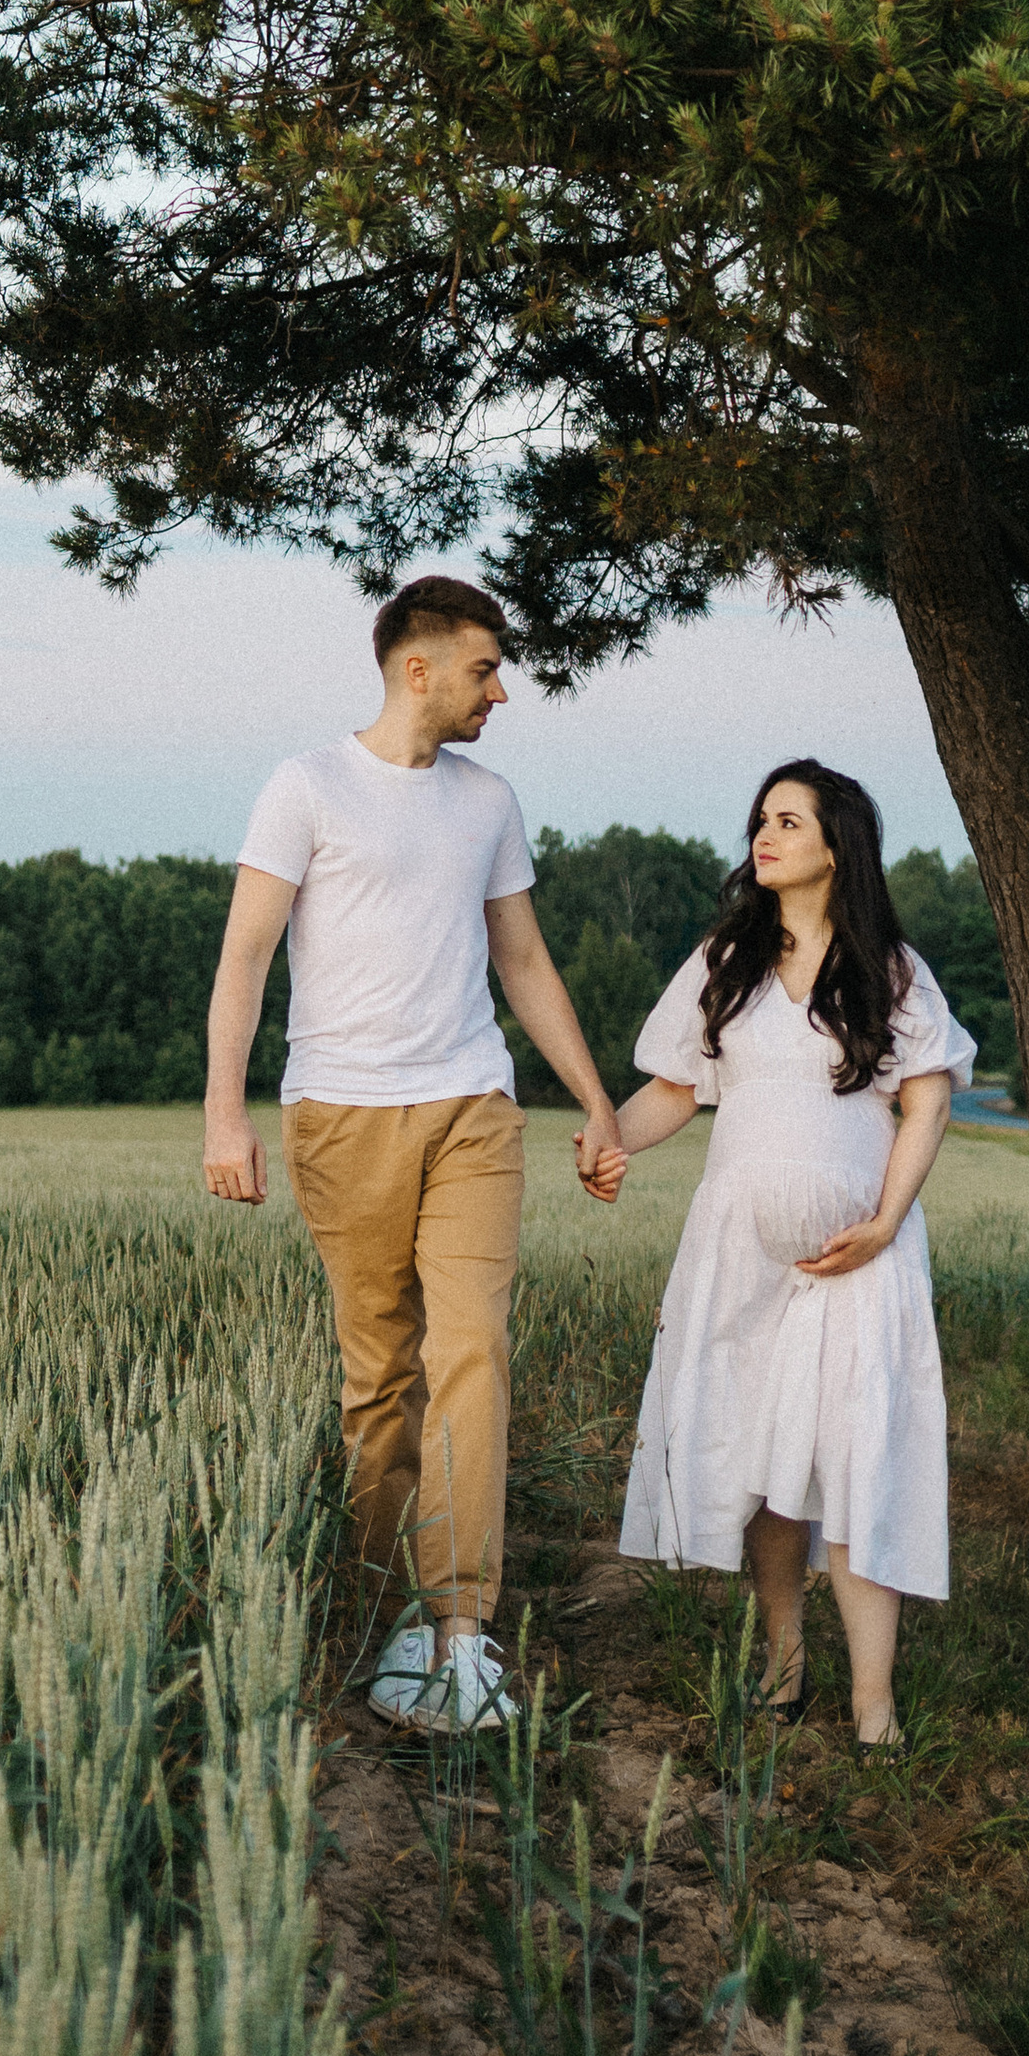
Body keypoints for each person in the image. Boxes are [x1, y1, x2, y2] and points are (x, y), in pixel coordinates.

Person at [203, 576, 627, 1733]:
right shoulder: (305, 787)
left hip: (471, 1108)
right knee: (380, 1376)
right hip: (340, 1116)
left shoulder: (487, 799)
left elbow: (524, 964)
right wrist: (221, 1117)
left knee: (472, 1349)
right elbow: (243, 960)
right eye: (487, 668)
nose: (503, 690)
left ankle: (458, 1626)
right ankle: (387, 1611)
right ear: (419, 669)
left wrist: (593, 1100)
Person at [596, 759, 976, 1749]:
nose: (764, 835)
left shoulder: (888, 965)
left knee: (853, 1464)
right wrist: (609, 1138)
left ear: (835, 844)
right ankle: (782, 1660)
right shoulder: (726, 958)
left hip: (857, 1258)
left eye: (788, 820)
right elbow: (675, 1088)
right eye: (760, 819)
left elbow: (928, 1096)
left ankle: (873, 1706)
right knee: (766, 1469)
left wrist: (885, 1221)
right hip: (739, 1254)